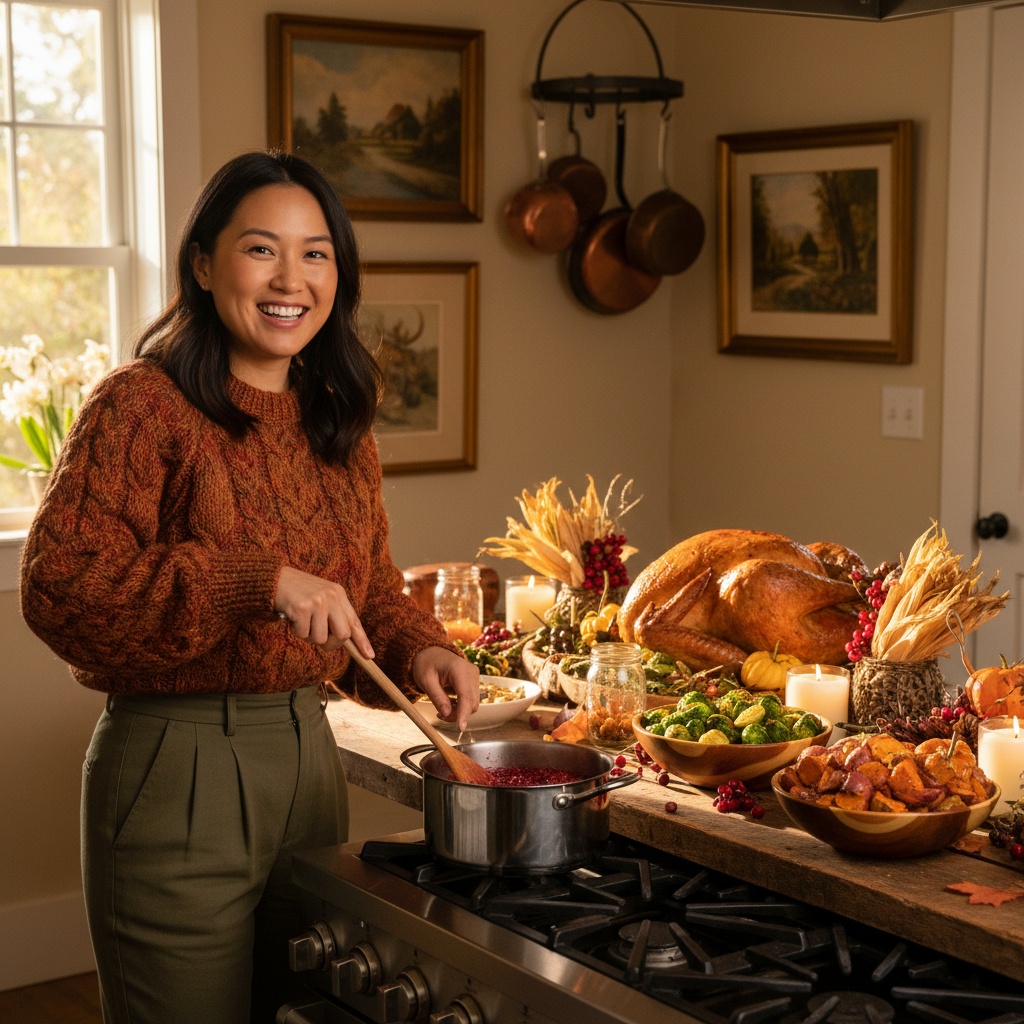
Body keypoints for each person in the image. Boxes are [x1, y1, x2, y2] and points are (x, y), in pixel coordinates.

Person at [18, 149, 481, 1024]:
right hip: (174, 769)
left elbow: (367, 586)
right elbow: (61, 589)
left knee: (304, 1016)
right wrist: (254, 581)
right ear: (203, 263)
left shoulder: (337, 413)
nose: (291, 279)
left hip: (309, 765)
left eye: (316, 254)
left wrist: (423, 646)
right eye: (262, 248)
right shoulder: (140, 406)